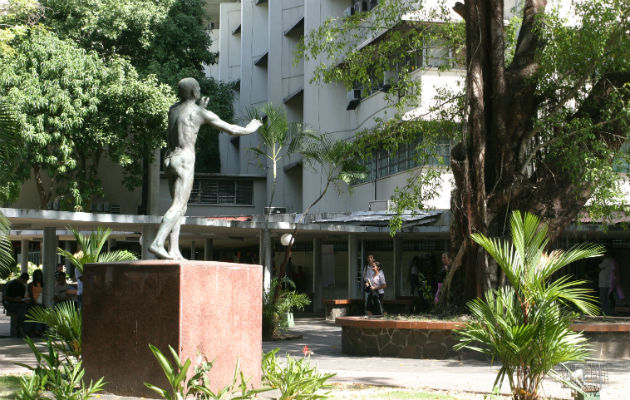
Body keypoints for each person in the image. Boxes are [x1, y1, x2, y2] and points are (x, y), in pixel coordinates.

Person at [149, 77, 262, 260]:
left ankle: (174, 250)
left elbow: (185, 120)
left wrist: (199, 107)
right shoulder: (200, 112)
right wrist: (249, 129)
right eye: (198, 88)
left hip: (169, 159)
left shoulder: (173, 109)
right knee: (178, 206)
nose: (200, 90)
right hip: (184, 159)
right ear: (194, 92)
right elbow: (231, 129)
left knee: (179, 206)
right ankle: (157, 242)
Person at [3, 272, 29, 337]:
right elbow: (5, 297)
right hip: (9, 303)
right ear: (21, 279)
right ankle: (20, 327)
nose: (24, 283)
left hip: (18, 303)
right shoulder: (11, 284)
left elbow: (21, 298)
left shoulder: (23, 287)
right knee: (22, 308)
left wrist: (23, 299)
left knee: (26, 307)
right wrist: (14, 299)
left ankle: (21, 327)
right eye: (24, 281)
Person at [598, 250, 615, 315]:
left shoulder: (606, 260)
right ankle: (607, 311)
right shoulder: (611, 261)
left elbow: (599, 267)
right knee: (608, 297)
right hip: (609, 282)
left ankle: (604, 311)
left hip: (603, 283)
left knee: (603, 298)